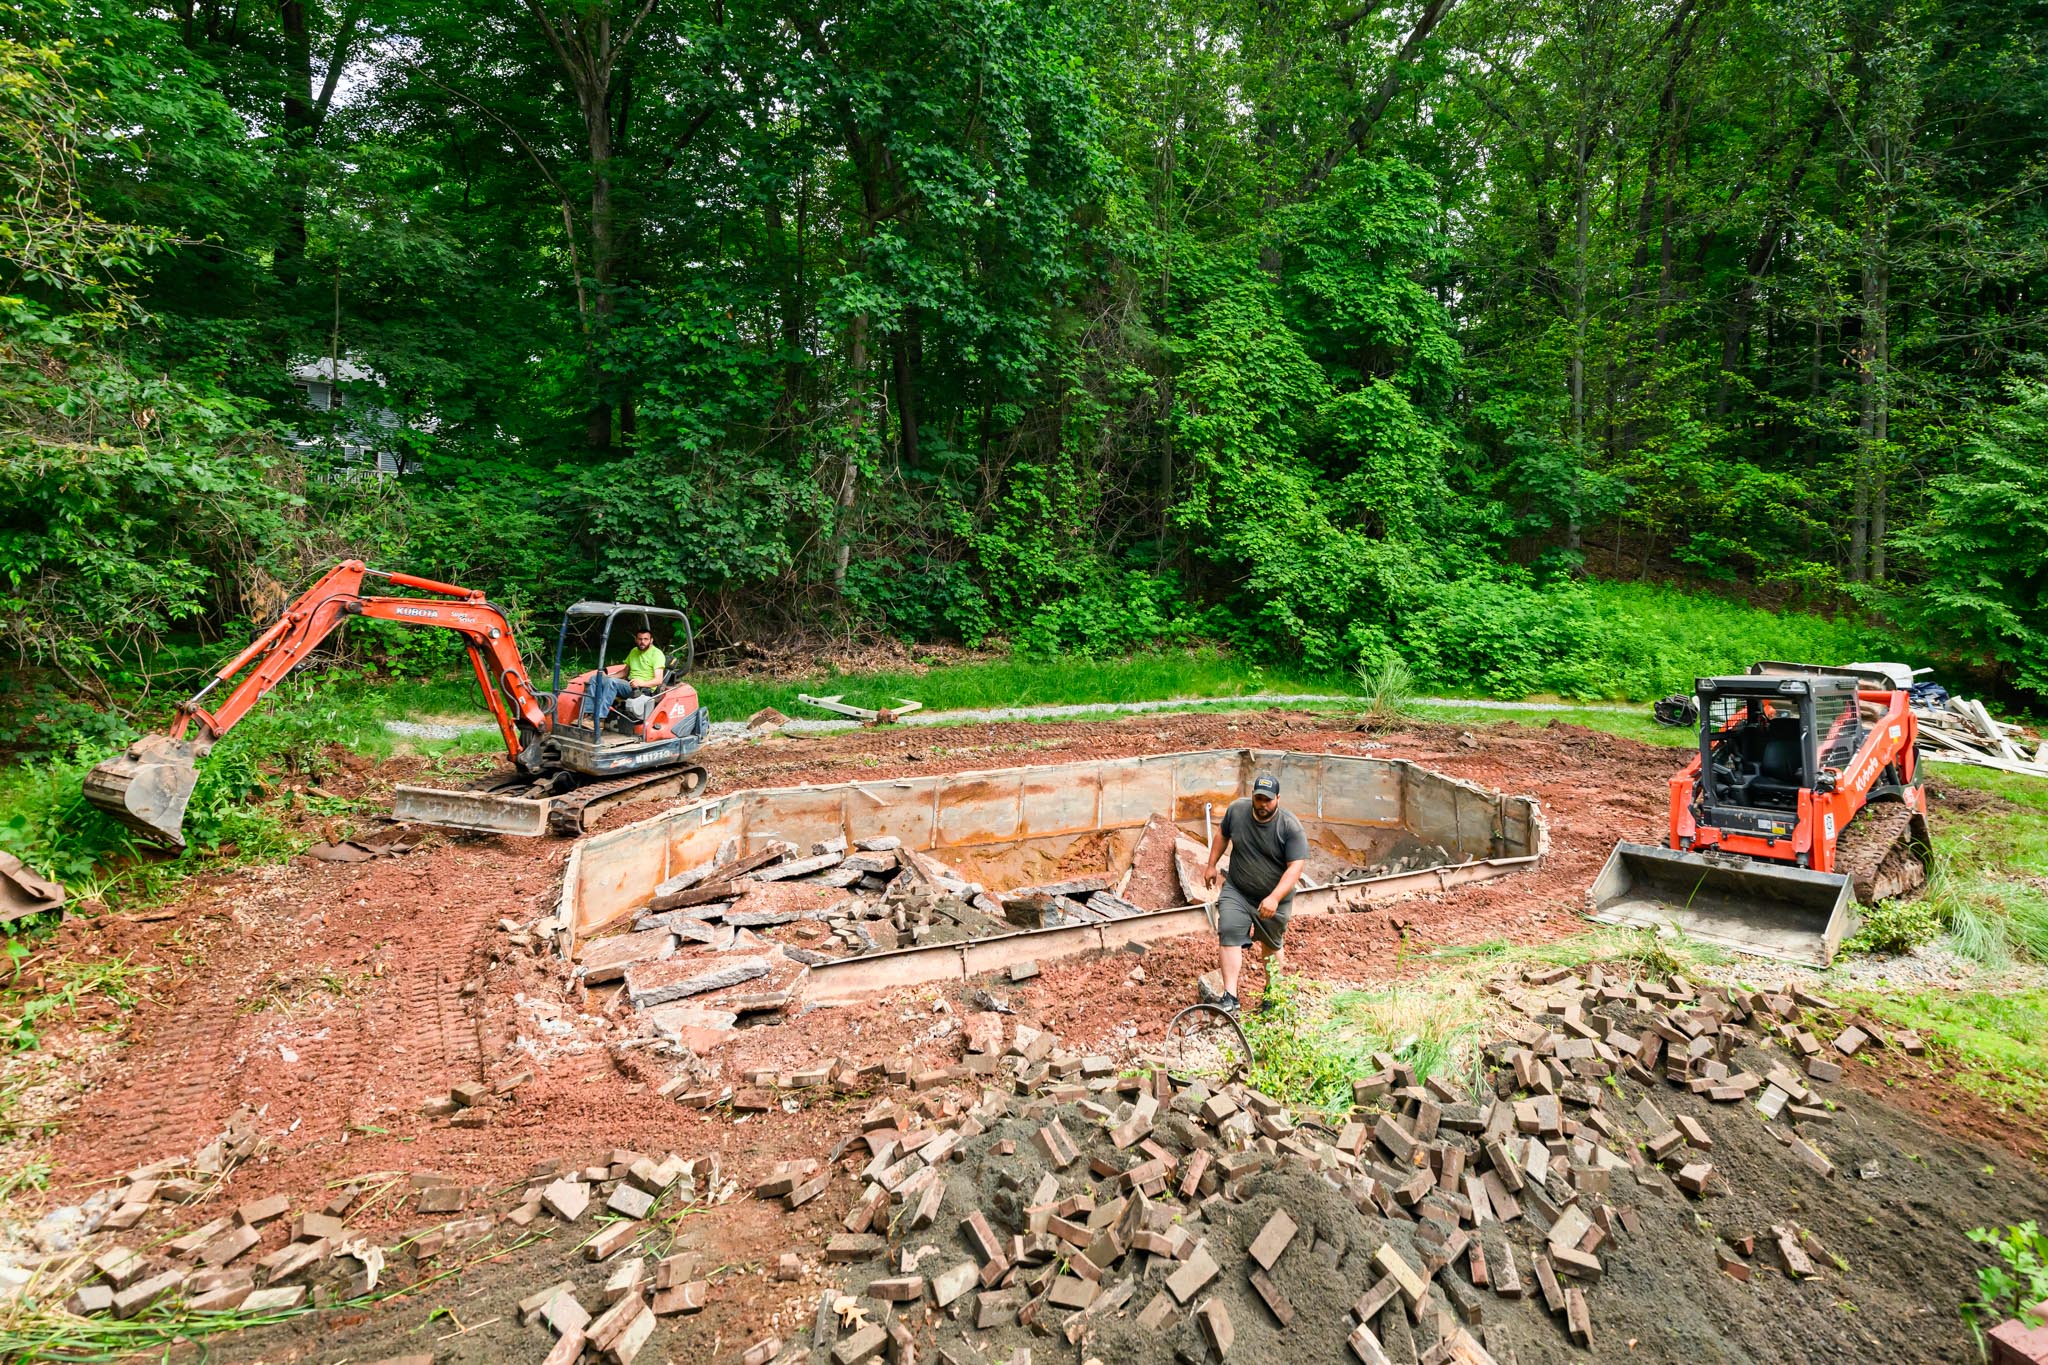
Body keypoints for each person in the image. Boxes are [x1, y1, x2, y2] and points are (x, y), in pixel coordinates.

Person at [1200, 772, 1308, 1016]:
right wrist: (1211, 865)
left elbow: (1296, 868)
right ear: (1252, 797)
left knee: (1271, 946)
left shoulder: (1289, 827)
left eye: (1268, 800)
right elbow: (1222, 834)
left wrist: (1274, 898)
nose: (1262, 805)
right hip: (1238, 889)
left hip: (1273, 897)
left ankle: (1272, 995)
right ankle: (1230, 997)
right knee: (1228, 930)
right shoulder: (1237, 811)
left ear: (1278, 799)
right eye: (1258, 799)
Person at [584, 628, 666, 727]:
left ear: (651, 640)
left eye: (645, 639)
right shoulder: (634, 651)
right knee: (595, 678)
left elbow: (658, 680)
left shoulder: (657, 654)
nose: (642, 642)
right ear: (636, 639)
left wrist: (640, 683)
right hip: (629, 684)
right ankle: (589, 714)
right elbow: (624, 672)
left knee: (612, 683)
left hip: (642, 689)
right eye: (640, 639)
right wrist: (607, 676)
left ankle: (599, 720)